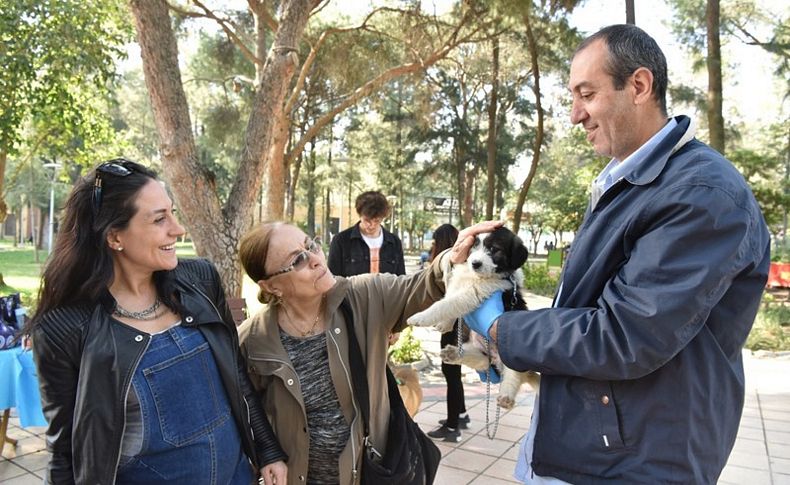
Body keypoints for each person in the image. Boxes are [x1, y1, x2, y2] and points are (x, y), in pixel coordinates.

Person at [460, 25, 771, 484]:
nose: (574, 115)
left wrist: (501, 327)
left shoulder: (701, 195)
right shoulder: (626, 183)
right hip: (593, 445)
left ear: (640, 86)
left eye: (587, 94)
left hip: (635, 461)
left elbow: (623, 335)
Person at [26, 158, 287, 485]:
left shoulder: (199, 281)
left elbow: (234, 374)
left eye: (173, 213)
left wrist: (268, 450)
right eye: (159, 219)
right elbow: (65, 449)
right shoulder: (64, 329)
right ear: (114, 237)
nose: (177, 229)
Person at [237, 220, 500, 484]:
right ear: (271, 286)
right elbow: (247, 414)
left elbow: (422, 287)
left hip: (370, 473)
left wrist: (451, 261)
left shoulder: (364, 296)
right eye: (297, 260)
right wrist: (267, 455)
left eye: (311, 245)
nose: (316, 259)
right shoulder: (253, 340)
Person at [423, 224, 470, 443]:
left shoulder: (452, 262)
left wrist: (440, 323)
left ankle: (452, 427)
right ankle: (460, 414)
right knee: (454, 371)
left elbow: (451, 299)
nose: (433, 246)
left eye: (435, 241)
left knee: (450, 371)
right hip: (462, 324)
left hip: (454, 325)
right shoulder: (462, 260)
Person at [328, 190, 405, 277]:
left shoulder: (394, 243)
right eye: (367, 220)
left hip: (387, 291)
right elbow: (333, 279)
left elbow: (401, 281)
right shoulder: (341, 241)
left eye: (377, 220)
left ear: (383, 218)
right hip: (352, 291)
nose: (371, 225)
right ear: (359, 214)